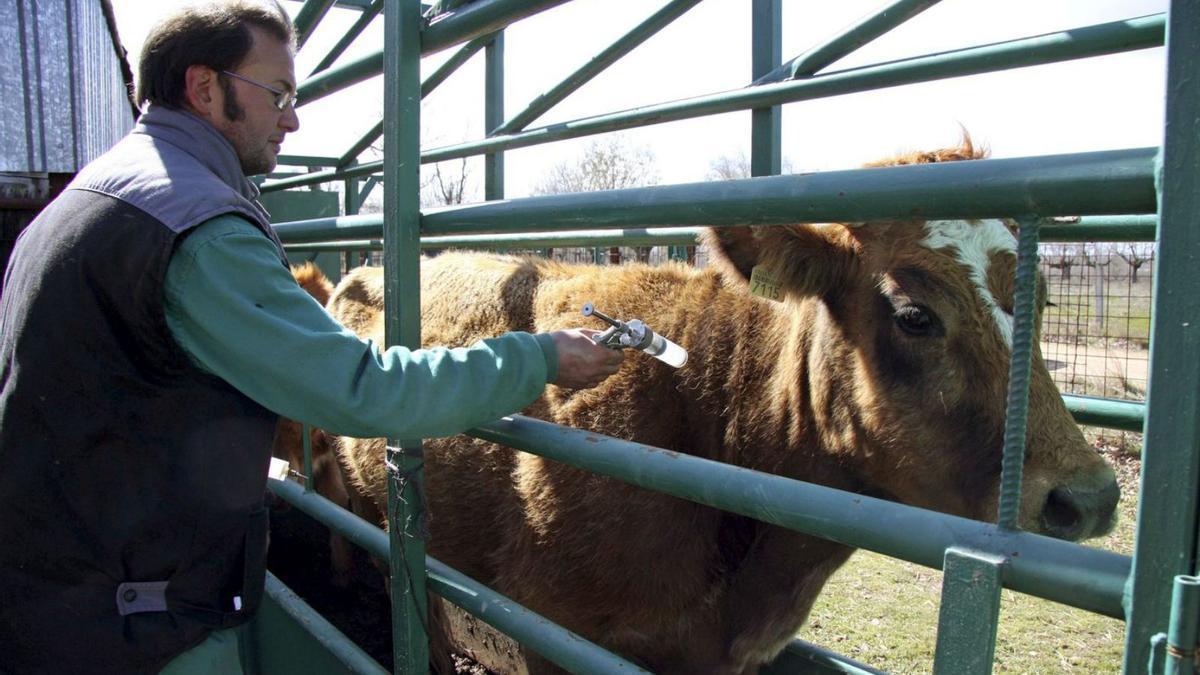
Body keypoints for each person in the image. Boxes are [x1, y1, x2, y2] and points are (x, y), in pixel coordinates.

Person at [0, 1, 623, 673]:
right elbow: (366, 390)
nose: (292, 118)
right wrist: (537, 355)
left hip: (59, 595)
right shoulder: (197, 229)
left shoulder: (88, 196)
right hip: (136, 628)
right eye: (279, 95)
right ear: (204, 88)